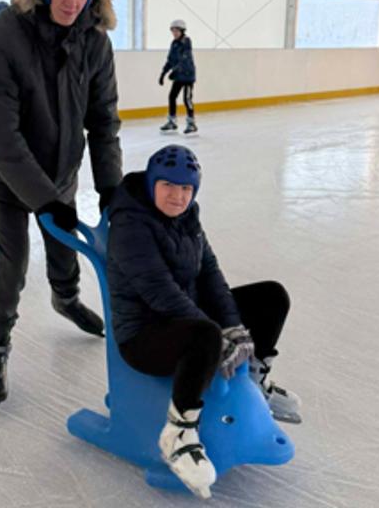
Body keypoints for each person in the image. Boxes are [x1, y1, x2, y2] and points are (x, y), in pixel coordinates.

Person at [0, 0, 123, 411]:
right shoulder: (1, 37)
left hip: (60, 169)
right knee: (13, 259)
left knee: (65, 240)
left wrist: (112, 187)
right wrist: (43, 198)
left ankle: (66, 297)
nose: (71, 1)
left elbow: (103, 120)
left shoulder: (94, 41)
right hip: (4, 175)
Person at [106, 144, 301, 499]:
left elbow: (210, 275)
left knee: (271, 297)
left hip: (185, 317)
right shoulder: (129, 224)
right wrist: (218, 333)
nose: (178, 196)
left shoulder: (188, 215)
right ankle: (179, 432)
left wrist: (235, 328)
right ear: (152, 183)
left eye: (186, 188)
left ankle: (253, 381)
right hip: (144, 334)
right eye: (169, 186)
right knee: (205, 335)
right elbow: (159, 292)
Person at [158, 20, 197, 134]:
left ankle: (191, 123)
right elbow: (170, 60)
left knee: (187, 99)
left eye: (176, 30)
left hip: (188, 76)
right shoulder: (174, 43)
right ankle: (172, 122)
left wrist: (175, 70)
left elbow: (184, 58)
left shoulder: (186, 41)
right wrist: (163, 73)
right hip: (178, 76)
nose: (174, 33)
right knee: (172, 97)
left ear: (182, 31)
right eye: (173, 31)